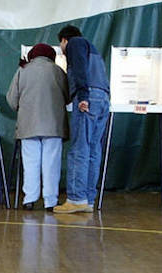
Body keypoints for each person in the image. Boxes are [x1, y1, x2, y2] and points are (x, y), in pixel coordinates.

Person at [53, 25, 110, 214]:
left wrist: (83, 96)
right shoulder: (92, 48)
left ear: (64, 40)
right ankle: (88, 199)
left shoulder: (75, 44)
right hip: (102, 100)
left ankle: (76, 199)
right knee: (93, 150)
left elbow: (79, 69)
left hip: (88, 98)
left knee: (79, 149)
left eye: (60, 45)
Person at [6, 44, 69, 211]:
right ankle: (50, 201)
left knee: (30, 163)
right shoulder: (58, 71)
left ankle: (29, 199)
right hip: (53, 126)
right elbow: (68, 97)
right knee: (51, 164)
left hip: (28, 126)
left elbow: (12, 100)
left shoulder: (23, 71)